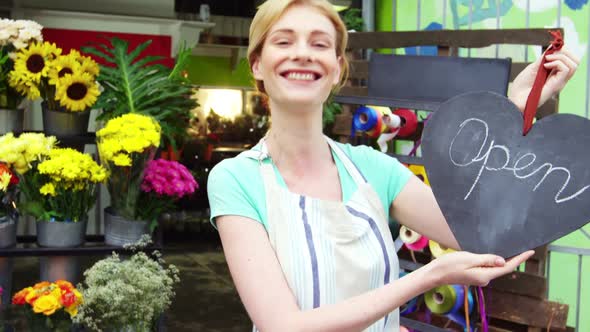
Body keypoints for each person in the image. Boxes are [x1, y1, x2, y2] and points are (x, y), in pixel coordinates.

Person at [207, 0, 579, 331]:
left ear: (338, 69)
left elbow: (478, 231)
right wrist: (426, 277)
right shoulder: (236, 179)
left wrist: (516, 108)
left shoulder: (372, 168)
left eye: (319, 44)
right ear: (257, 64)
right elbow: (282, 326)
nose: (303, 54)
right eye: (284, 41)